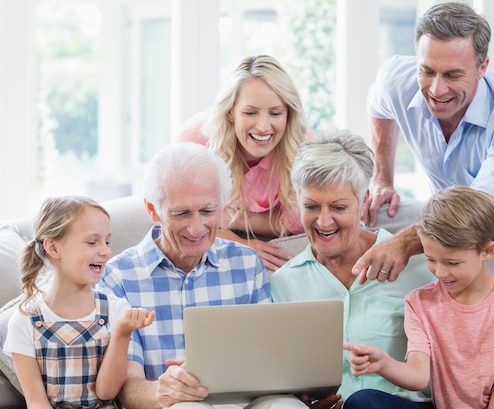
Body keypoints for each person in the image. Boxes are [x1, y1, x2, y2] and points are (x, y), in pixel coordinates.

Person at [354, 1, 494, 282]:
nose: (436, 89)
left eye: (453, 75)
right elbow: (379, 105)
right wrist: (382, 179)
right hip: (451, 227)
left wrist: (405, 242)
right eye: (427, 71)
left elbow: (482, 209)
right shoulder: (397, 80)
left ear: (482, 67)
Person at [97, 142, 302, 409]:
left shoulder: (246, 263)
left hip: (243, 401)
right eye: (181, 213)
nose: (196, 228)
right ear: (152, 210)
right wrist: (160, 391)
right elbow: (127, 387)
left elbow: (269, 356)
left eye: (207, 211)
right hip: (172, 405)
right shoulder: (118, 276)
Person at [270, 129, 436, 409]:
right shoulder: (283, 283)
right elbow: (279, 373)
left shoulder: (418, 268)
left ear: (363, 202)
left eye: (338, 207)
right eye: (311, 206)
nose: (323, 222)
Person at [344, 186, 494, 409]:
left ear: (488, 251)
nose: (440, 272)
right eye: (431, 259)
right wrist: (383, 364)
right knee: (361, 402)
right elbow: (419, 376)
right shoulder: (419, 303)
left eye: (452, 263)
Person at [3, 196, 155, 409]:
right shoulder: (25, 320)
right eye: (92, 242)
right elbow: (36, 402)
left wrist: (122, 333)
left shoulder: (116, 309)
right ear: (53, 248)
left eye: (107, 241)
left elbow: (107, 392)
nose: (105, 251)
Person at [178, 55, 310, 271]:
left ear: (288, 114)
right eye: (250, 112)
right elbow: (177, 215)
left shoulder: (300, 146)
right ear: (230, 112)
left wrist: (231, 217)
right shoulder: (194, 140)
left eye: (275, 113)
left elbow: (299, 220)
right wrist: (239, 243)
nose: (263, 126)